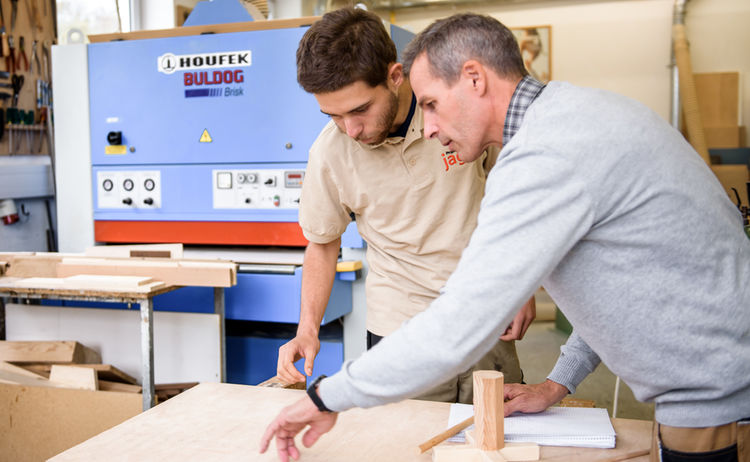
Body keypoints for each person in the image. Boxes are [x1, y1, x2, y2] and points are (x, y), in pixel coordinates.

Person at [261, 12, 750, 462]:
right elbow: (624, 283)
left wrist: (326, 396)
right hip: (709, 384)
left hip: (714, 391)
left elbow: (461, 324)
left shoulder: (545, 154)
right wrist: (558, 383)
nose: (427, 128)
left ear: (474, 79)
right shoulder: (573, 117)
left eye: (431, 104)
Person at [275, 7, 535, 405]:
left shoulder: (455, 112)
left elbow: (514, 194)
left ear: (396, 76)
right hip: (400, 330)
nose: (351, 130)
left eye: (360, 109)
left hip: (486, 313)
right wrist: (307, 328)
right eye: (334, 115)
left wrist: (522, 285)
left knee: (495, 436)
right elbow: (322, 243)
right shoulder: (330, 153)